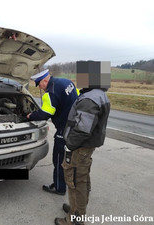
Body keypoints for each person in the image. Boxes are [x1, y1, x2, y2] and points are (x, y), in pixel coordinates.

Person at [54, 61, 111, 225]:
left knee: (75, 181)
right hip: (86, 147)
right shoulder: (98, 94)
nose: (79, 79)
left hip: (79, 147)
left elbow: (82, 129)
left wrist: (69, 144)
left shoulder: (89, 99)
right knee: (82, 178)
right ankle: (76, 208)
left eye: (82, 76)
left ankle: (75, 218)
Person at [27, 69, 78, 195]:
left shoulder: (50, 93)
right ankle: (77, 184)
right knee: (73, 158)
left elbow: (45, 114)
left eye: (39, 84)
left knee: (59, 159)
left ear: (45, 80)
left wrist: (30, 116)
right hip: (76, 126)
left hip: (64, 129)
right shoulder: (66, 82)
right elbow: (77, 96)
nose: (40, 87)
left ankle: (59, 187)